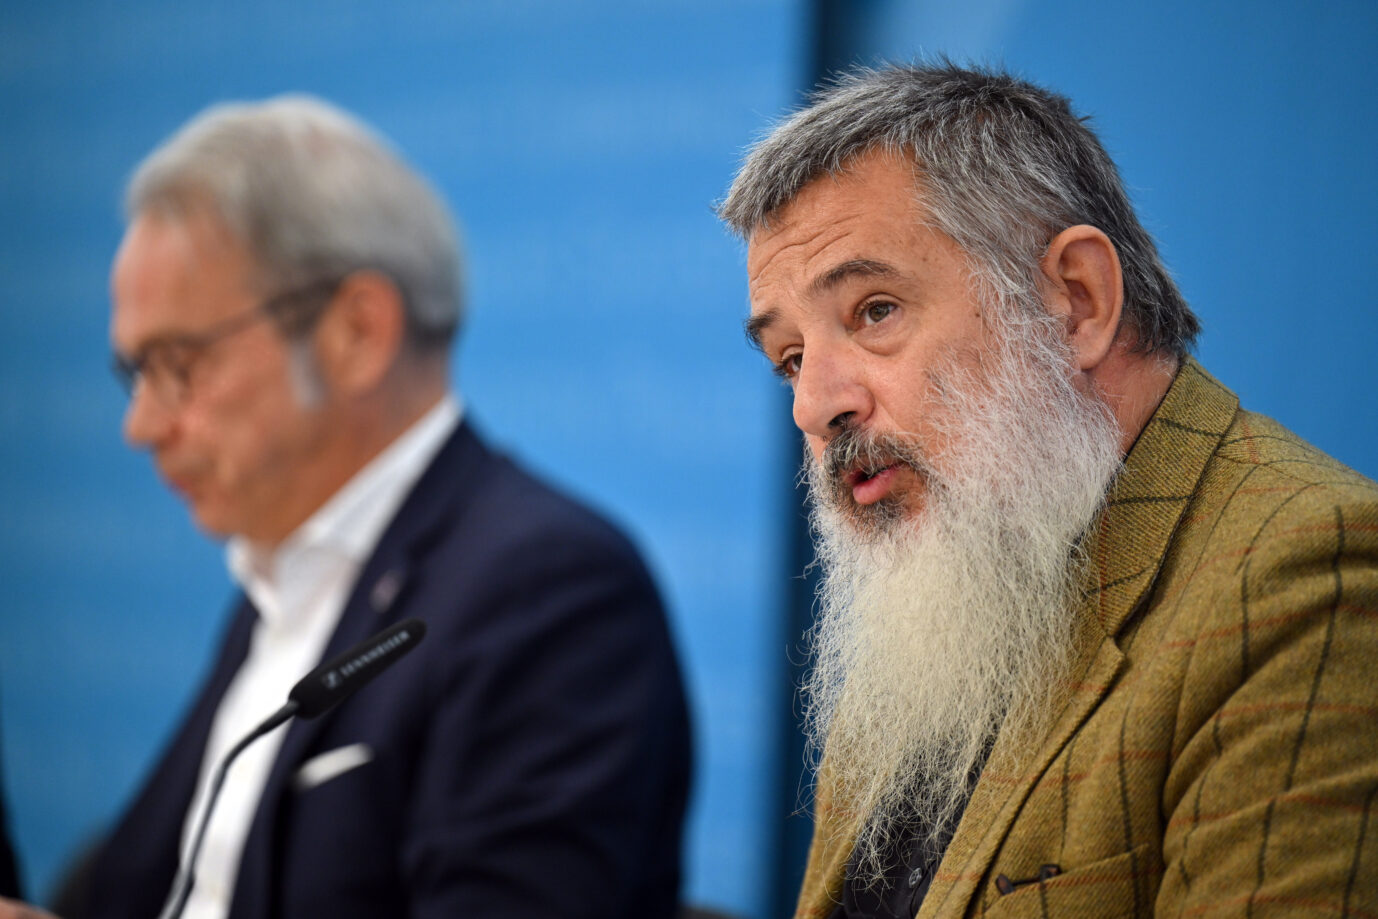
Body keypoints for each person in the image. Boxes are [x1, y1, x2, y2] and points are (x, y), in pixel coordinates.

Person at [2, 95, 690, 919]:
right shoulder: (276, 586)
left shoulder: (552, 593)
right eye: (133, 374)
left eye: (177, 364)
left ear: (357, 332)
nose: (141, 424)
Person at [719, 63, 1378, 918]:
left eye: (874, 310)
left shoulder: (1308, 584)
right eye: (792, 359)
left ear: (1074, 301)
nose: (814, 405)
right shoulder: (927, 606)